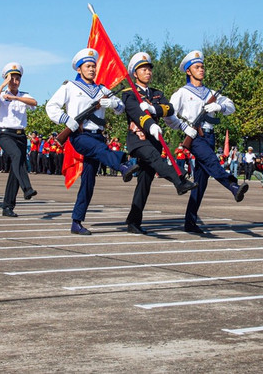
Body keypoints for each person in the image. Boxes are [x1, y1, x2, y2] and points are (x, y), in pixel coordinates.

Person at [46, 48, 140, 235]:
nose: (92, 69)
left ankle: (76, 221)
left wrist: (112, 104)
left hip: (97, 134)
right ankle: (122, 166)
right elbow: (51, 106)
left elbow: (121, 108)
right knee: (99, 150)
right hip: (80, 135)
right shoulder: (70, 87)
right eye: (88, 66)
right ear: (79, 69)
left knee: (88, 182)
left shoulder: (102, 89)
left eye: (93, 66)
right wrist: (67, 120)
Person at [166, 50, 248, 234]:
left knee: (200, 183)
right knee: (212, 161)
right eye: (197, 67)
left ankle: (190, 222)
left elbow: (231, 107)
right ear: (188, 71)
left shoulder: (211, 93)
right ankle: (233, 186)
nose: (201, 69)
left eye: (202, 66)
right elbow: (169, 115)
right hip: (194, 137)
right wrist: (182, 127)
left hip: (209, 136)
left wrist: (219, 106)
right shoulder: (182, 93)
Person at [122, 52, 197, 234]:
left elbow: (169, 108)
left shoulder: (156, 94)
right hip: (138, 141)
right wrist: (150, 123)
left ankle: (133, 221)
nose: (148, 72)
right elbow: (136, 113)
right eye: (143, 69)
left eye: (149, 69)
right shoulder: (129, 94)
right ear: (135, 74)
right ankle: (179, 181)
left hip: (153, 141)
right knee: (156, 159)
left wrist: (153, 108)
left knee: (144, 184)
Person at [0, 62, 38, 217]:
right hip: (5, 134)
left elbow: (34, 103)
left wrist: (16, 98)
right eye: (11, 79)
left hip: (20, 135)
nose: (15, 82)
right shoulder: (1, 95)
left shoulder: (24, 95)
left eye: (17, 79)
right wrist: (2, 86)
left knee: (15, 170)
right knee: (17, 157)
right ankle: (27, 188)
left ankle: (8, 206)